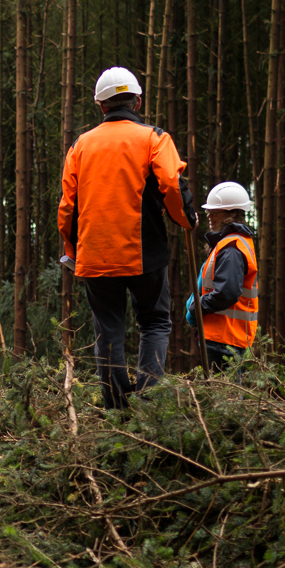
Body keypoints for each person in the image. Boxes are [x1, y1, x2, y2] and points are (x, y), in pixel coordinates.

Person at [58, 67, 198, 409]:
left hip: (94, 255)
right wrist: (186, 219)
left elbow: (67, 206)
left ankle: (118, 409)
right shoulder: (154, 138)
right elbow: (172, 184)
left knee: (108, 331)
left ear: (101, 106)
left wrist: (72, 249)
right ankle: (148, 404)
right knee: (155, 322)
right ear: (137, 100)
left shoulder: (80, 145)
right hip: (144, 252)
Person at [185, 181, 258, 371]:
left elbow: (226, 293)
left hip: (224, 339)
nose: (209, 215)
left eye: (214, 211)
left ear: (231, 214)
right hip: (223, 336)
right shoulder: (229, 244)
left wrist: (196, 307)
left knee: (225, 397)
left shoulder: (231, 249)